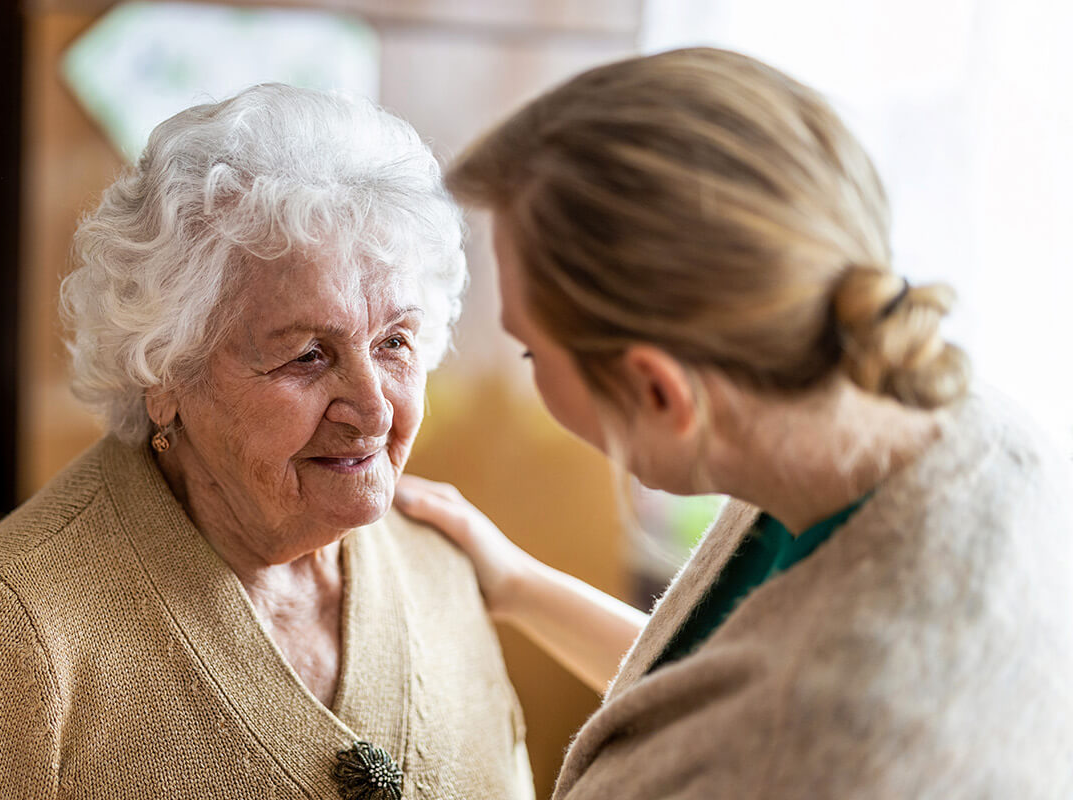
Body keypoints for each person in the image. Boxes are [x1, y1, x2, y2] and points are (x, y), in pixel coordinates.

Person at [397, 47, 1073, 799]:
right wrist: (518, 583)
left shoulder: (836, 745)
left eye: (528, 351)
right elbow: (713, 693)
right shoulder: (942, 424)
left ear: (658, 391)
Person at [0, 85, 533, 800]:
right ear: (164, 371)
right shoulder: (6, 636)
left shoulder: (444, 572)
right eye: (307, 355)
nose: (371, 410)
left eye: (395, 342)